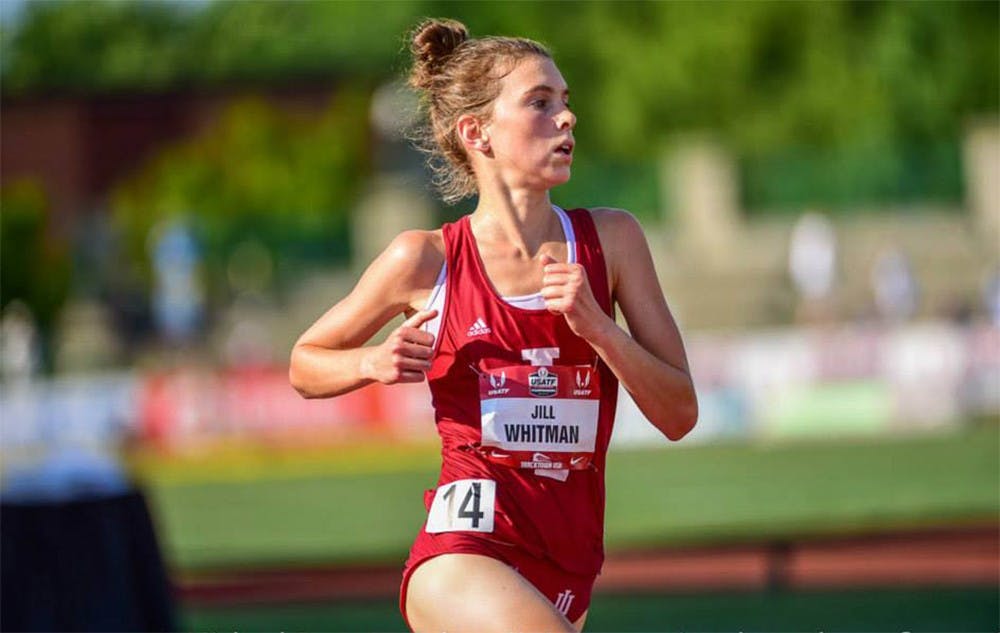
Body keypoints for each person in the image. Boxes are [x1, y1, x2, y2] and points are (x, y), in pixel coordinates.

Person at [290, 18, 697, 632]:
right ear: (477, 132)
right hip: (463, 553)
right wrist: (369, 362)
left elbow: (679, 414)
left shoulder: (610, 242)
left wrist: (597, 328)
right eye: (540, 103)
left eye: (565, 102)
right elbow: (304, 362)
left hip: (568, 560)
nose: (566, 119)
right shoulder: (425, 258)